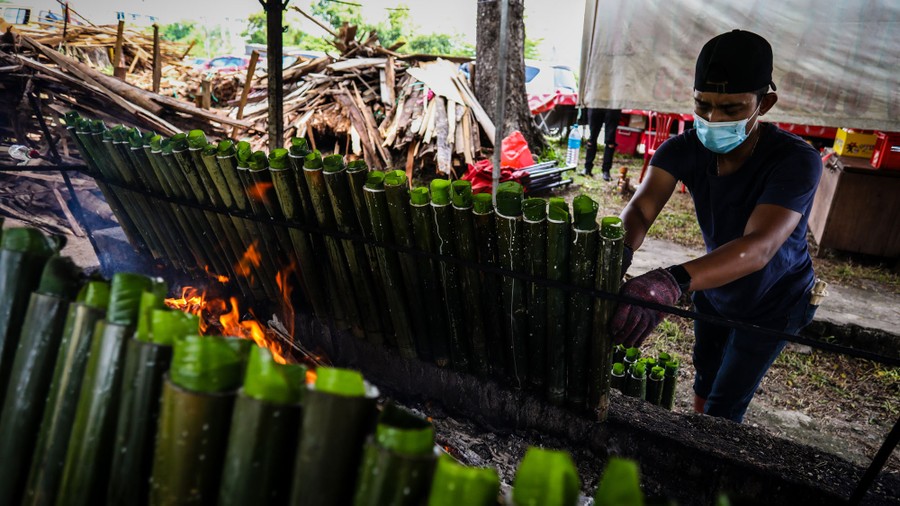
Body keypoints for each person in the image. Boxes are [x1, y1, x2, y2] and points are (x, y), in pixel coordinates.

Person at [610, 30, 823, 423]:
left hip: (774, 298)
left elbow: (759, 247)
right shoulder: (682, 149)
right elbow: (640, 210)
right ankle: (697, 436)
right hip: (715, 282)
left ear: (766, 103)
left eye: (730, 108)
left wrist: (669, 280)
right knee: (705, 381)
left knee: (726, 403)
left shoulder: (796, 161)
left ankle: (708, 457)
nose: (712, 119)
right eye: (703, 105)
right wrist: (615, 253)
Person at [582, 108, 622, 181]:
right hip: (596, 103)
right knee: (592, 137)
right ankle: (587, 168)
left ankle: (606, 171)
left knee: (610, 139)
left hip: (613, 104)